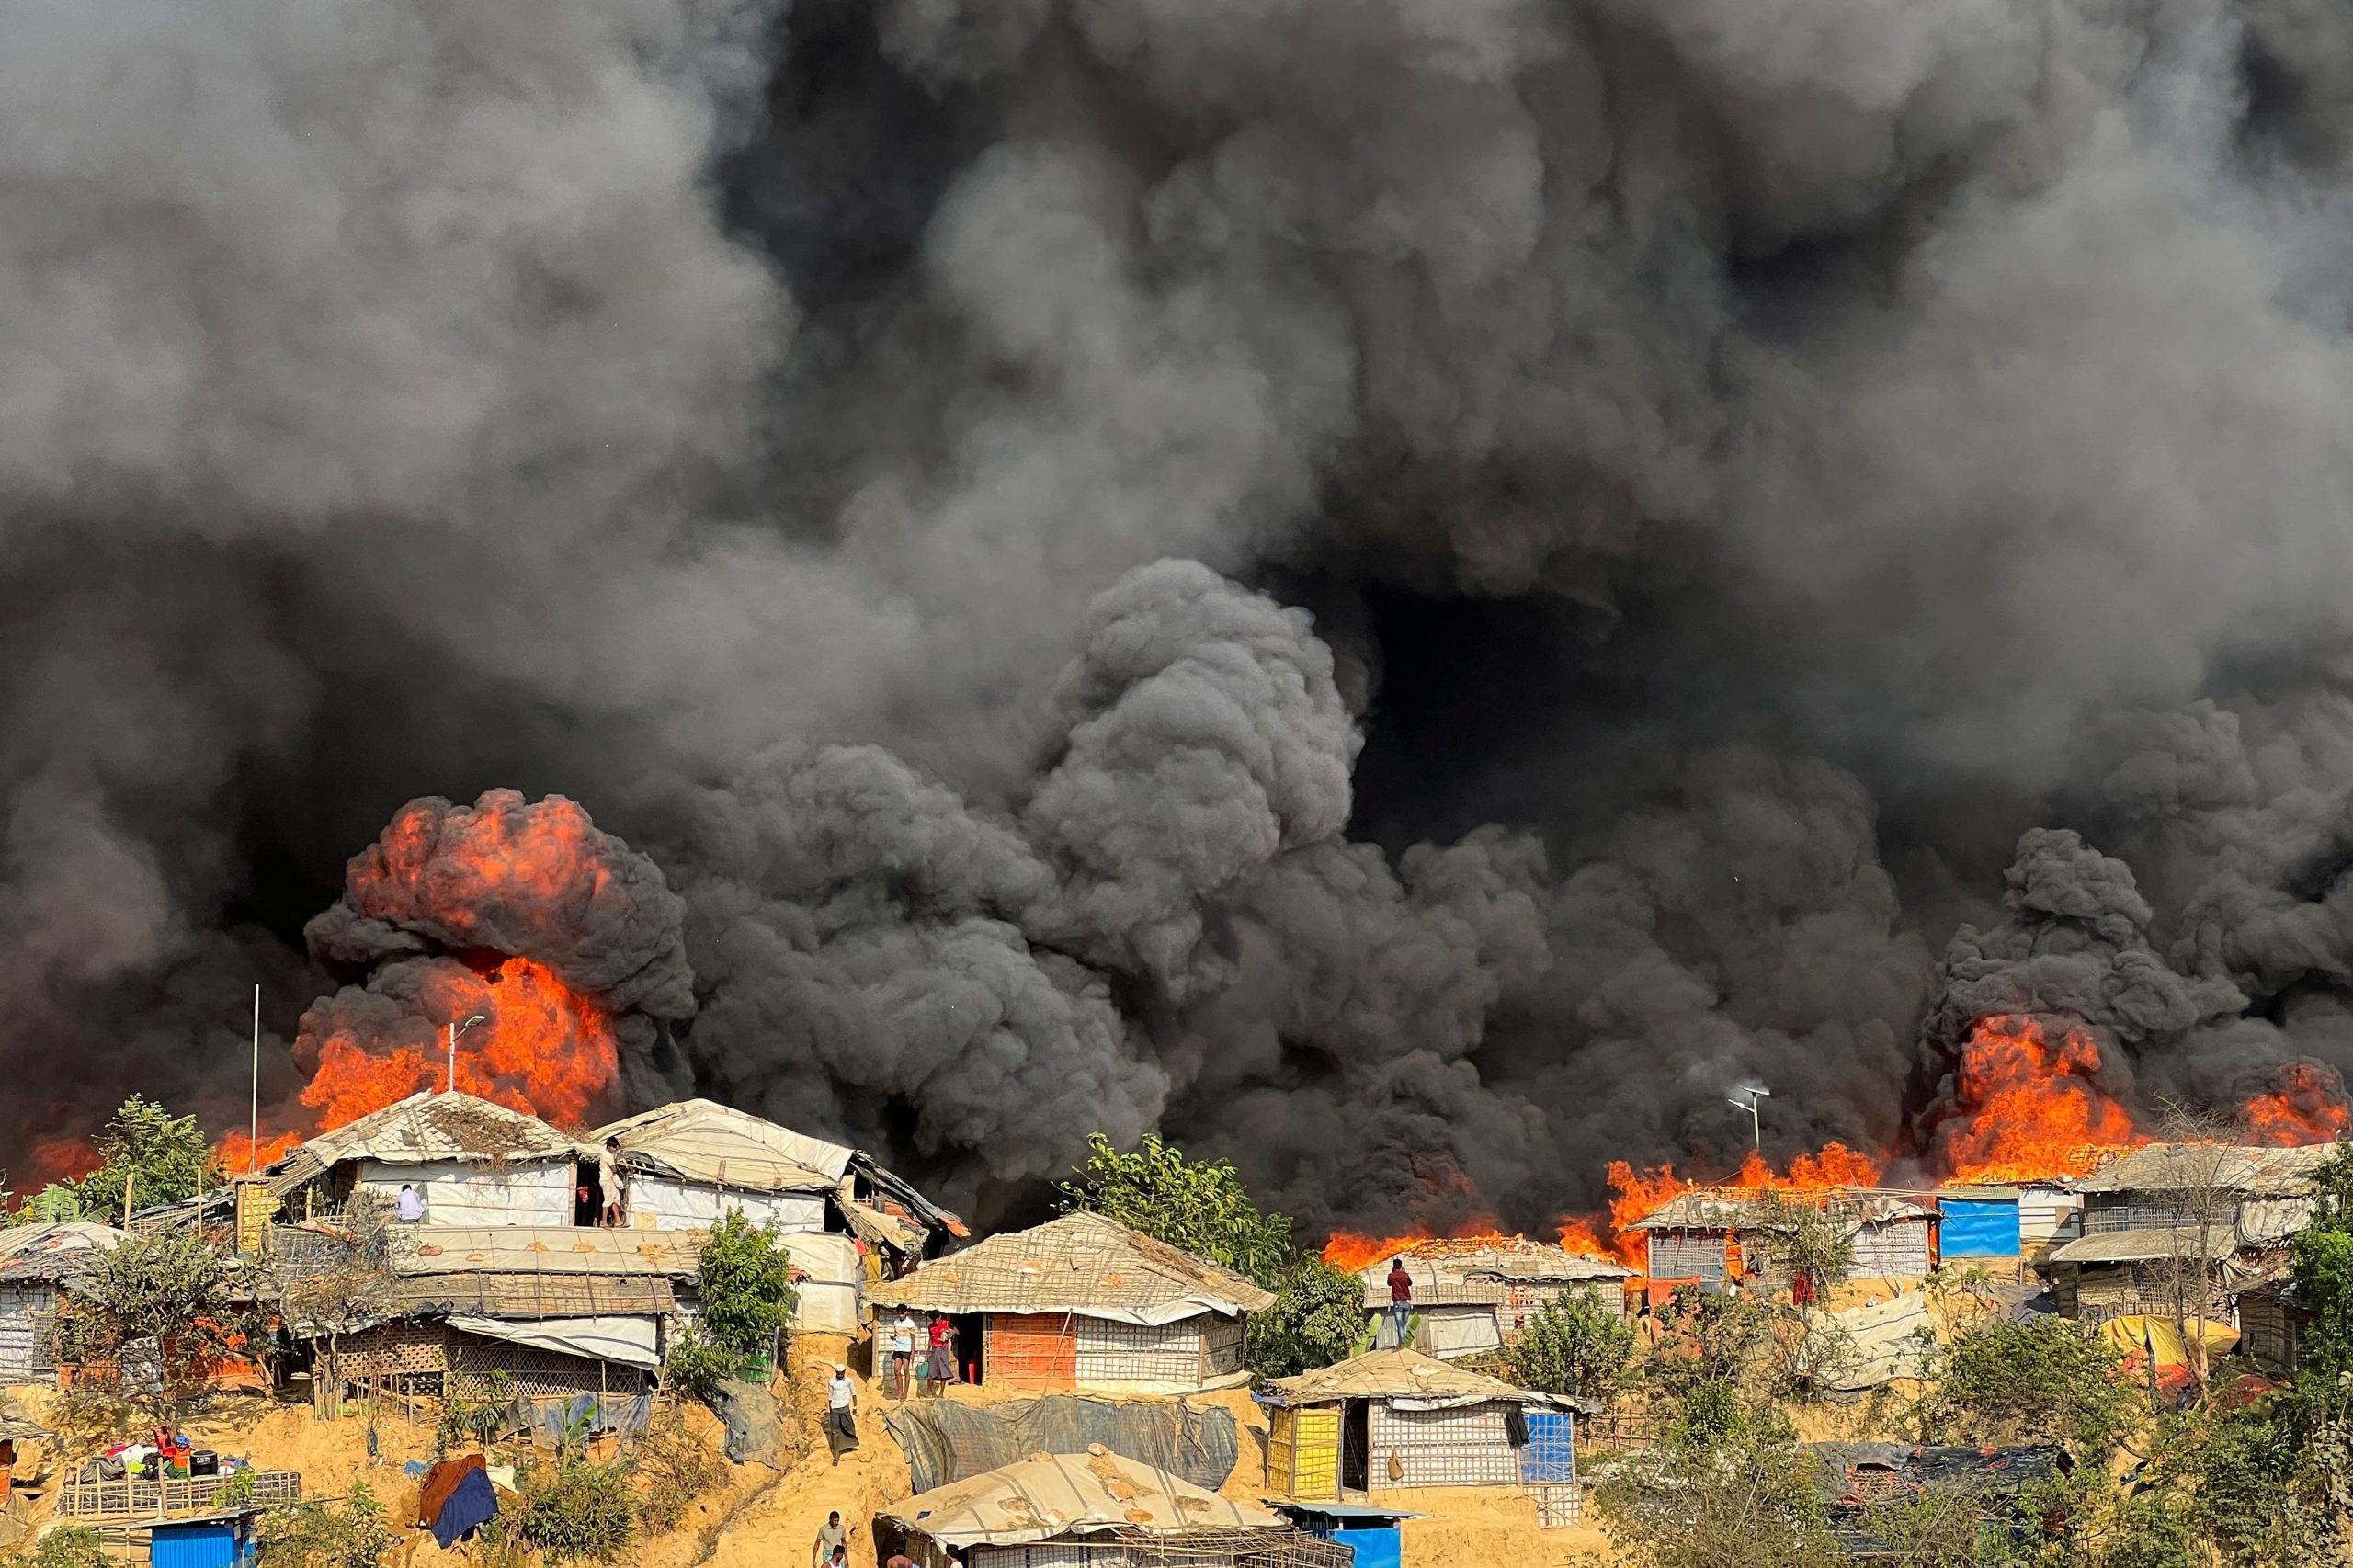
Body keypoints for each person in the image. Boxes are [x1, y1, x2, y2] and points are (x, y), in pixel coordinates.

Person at [825, 1363, 858, 1465]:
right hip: (835, 1408)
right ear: (836, 1372)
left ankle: (849, 1445)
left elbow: (854, 1393)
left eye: (841, 1373)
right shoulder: (831, 1382)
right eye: (838, 1373)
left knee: (849, 1426)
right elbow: (830, 1396)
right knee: (835, 1431)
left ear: (844, 1372)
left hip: (845, 1407)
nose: (840, 1375)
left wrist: (855, 1406)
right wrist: (830, 1408)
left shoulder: (849, 1381)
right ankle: (836, 1453)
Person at [1387, 1256, 1414, 1347]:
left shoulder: (1391, 1276)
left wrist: (1392, 1272)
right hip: (1406, 1302)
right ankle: (1403, 1343)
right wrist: (1404, 1272)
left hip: (1397, 1302)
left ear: (1394, 1266)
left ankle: (1401, 1344)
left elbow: (1389, 1283)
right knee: (1404, 1324)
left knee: (1400, 1324)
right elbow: (1410, 1283)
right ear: (1401, 1266)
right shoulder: (1405, 1275)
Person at [890, 1311, 917, 1400]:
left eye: (902, 1313)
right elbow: (896, 1334)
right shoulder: (896, 1322)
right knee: (897, 1371)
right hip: (898, 1348)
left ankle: (905, 1393)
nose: (900, 1315)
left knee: (906, 1369)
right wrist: (894, 1338)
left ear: (906, 1313)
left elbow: (913, 1338)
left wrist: (913, 1351)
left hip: (907, 1349)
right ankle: (900, 1393)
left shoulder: (910, 1323)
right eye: (899, 1313)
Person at [598, 1137, 624, 1228]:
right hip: (606, 1179)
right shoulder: (608, 1155)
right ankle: (603, 1222)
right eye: (612, 1147)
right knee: (608, 1199)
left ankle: (618, 1221)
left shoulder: (603, 1150)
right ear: (608, 1146)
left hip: (609, 1179)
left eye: (615, 1147)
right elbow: (614, 1169)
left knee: (615, 1197)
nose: (614, 1149)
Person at [926, 1313, 956, 1394]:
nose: (936, 1322)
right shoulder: (931, 1327)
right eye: (934, 1320)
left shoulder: (946, 1323)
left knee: (944, 1371)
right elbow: (930, 1339)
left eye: (937, 1319)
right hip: (935, 1349)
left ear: (940, 1316)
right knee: (931, 1371)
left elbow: (957, 1332)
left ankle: (941, 1393)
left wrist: (949, 1332)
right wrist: (928, 1349)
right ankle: (929, 1391)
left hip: (943, 1349)